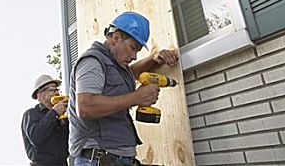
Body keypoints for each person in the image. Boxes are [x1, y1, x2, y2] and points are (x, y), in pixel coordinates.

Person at [68, 11, 179, 166]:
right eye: (133, 48)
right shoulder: (92, 62)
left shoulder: (116, 64)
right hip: (98, 159)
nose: (134, 56)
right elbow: (86, 107)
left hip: (117, 158)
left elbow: (128, 75)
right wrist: (136, 97)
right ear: (116, 38)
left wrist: (153, 59)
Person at [22, 74, 69, 166]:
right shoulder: (31, 114)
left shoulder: (62, 114)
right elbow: (36, 138)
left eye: (57, 89)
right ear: (40, 95)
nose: (56, 93)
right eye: (52, 89)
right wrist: (54, 112)